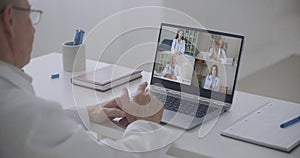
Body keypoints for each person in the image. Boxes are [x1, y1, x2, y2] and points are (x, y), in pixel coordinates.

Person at [0, 0, 171, 157]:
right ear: (9, 20)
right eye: (29, 15)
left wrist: (87, 114)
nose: (33, 28)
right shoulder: (20, 114)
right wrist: (146, 125)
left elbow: (39, 128)